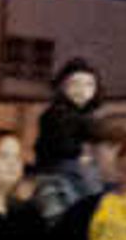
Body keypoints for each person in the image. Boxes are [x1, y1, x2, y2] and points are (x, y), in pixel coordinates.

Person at [33, 58, 105, 187]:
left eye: (89, 84)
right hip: (57, 177)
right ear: (61, 86)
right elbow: (61, 149)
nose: (82, 89)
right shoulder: (56, 114)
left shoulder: (86, 115)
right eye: (75, 83)